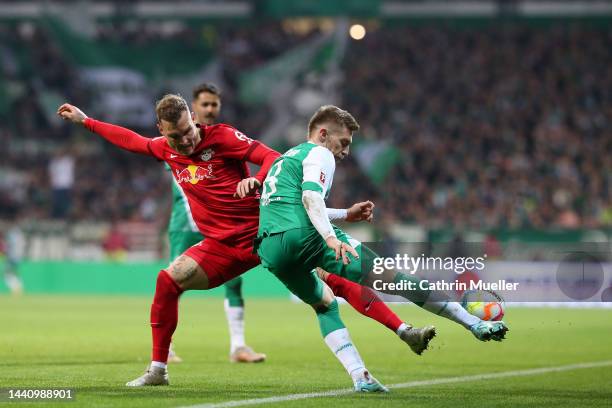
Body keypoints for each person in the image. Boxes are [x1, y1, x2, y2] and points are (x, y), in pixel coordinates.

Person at [57, 96, 415, 392]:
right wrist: (86, 121)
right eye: (174, 137)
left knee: (335, 281)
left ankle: (402, 330)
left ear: (193, 119)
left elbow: (272, 157)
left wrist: (257, 181)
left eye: (187, 131)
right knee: (168, 279)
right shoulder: (167, 150)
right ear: (162, 132)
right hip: (223, 246)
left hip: (268, 232)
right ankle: (158, 370)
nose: (184, 141)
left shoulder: (223, 137)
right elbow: (129, 140)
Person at [256, 104, 509, 367]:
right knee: (396, 280)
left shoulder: (285, 159)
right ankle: (474, 324)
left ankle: (360, 376)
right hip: (306, 238)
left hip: (270, 249)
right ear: (322, 134)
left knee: (325, 305)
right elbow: (311, 197)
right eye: (343, 142)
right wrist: (330, 238)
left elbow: (294, 206)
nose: (346, 151)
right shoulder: (320, 154)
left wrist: (345, 213)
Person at [166, 83, 265, 364]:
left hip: (222, 225)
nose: (210, 109)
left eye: (214, 104)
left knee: (234, 281)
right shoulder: (178, 139)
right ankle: (167, 346)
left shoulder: (222, 138)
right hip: (186, 223)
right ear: (192, 108)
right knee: (174, 282)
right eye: (204, 104)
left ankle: (238, 346)